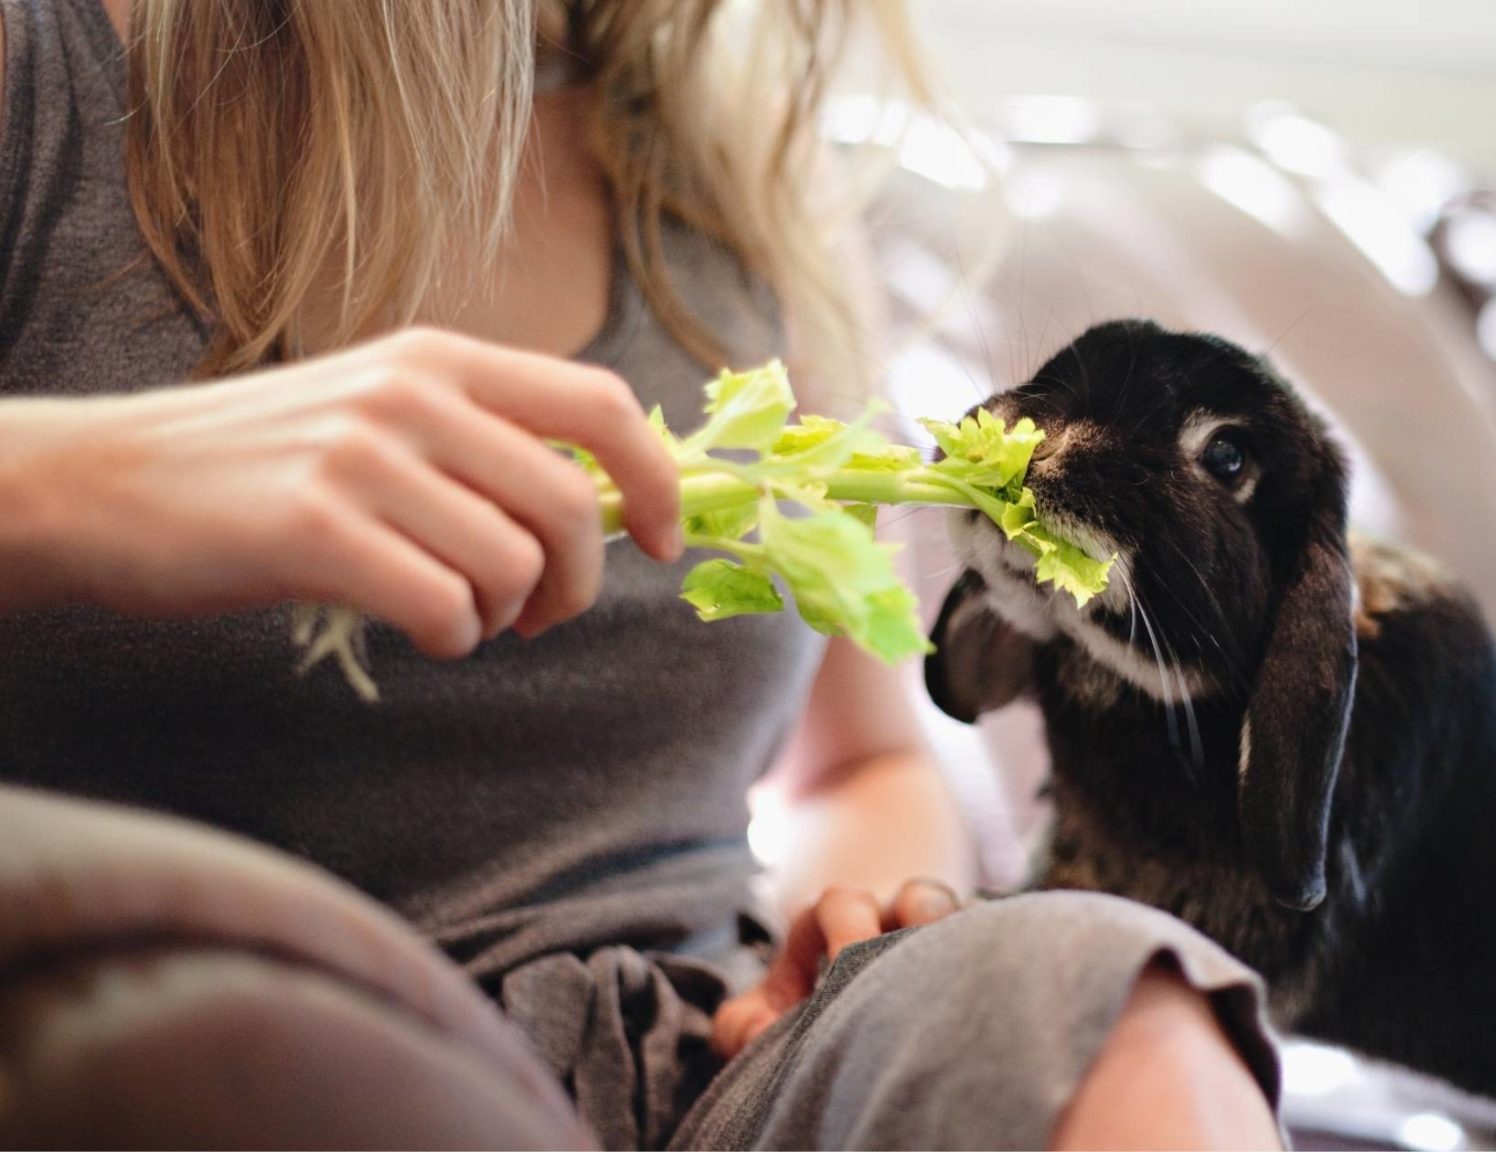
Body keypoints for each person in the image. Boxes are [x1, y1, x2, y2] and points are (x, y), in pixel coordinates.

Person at [0, 0, 1285, 1147]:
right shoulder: (37, 72)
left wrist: (854, 929)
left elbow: (858, 763)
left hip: (707, 1072)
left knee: (1127, 1018)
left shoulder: (738, 180)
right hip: (235, 1060)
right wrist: (90, 479)